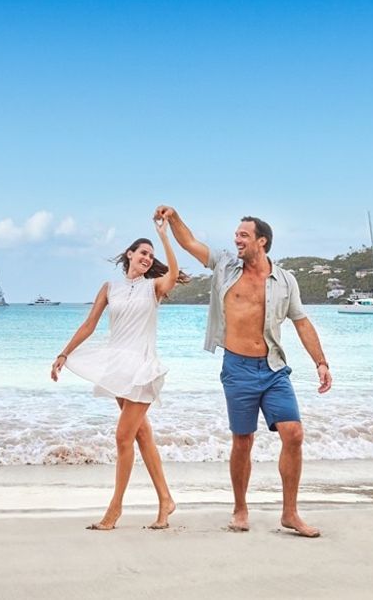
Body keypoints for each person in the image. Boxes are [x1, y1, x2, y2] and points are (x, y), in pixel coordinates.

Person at [155, 205, 332, 537]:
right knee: (243, 440)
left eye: (243, 235)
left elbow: (302, 322)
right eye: (236, 234)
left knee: (294, 434)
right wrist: (175, 218)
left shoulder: (285, 281)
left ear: (261, 242)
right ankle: (240, 508)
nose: (236, 240)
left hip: (274, 368)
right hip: (237, 367)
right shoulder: (225, 265)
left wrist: (320, 362)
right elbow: (190, 243)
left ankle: (290, 513)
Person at [50, 217, 186, 530]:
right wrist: (64, 353)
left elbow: (174, 275)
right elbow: (89, 325)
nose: (147, 258)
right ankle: (166, 499)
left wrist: (164, 237)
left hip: (141, 367)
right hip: (118, 368)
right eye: (143, 252)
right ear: (129, 254)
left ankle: (115, 509)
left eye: (151, 256)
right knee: (140, 434)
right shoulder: (110, 287)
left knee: (123, 436)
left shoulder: (153, 288)